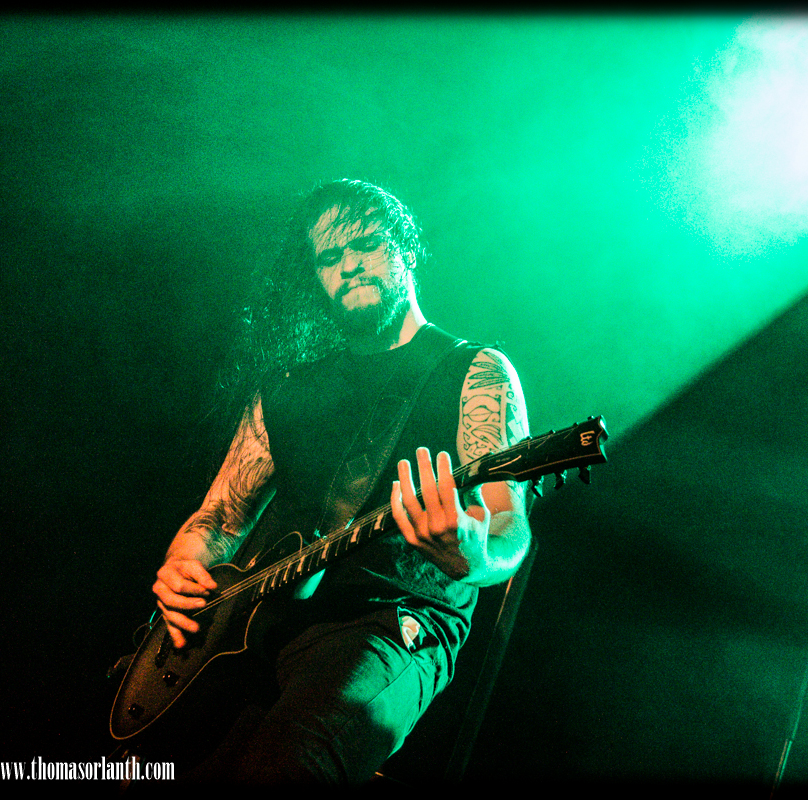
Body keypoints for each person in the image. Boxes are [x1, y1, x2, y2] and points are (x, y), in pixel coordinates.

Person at [150, 179, 531, 783]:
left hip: (390, 626)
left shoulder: (474, 372)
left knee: (284, 768)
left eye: (366, 244)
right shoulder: (286, 389)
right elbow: (220, 518)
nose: (348, 264)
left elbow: (510, 525)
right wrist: (181, 566)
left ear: (406, 249)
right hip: (257, 627)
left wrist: (476, 554)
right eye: (329, 256)